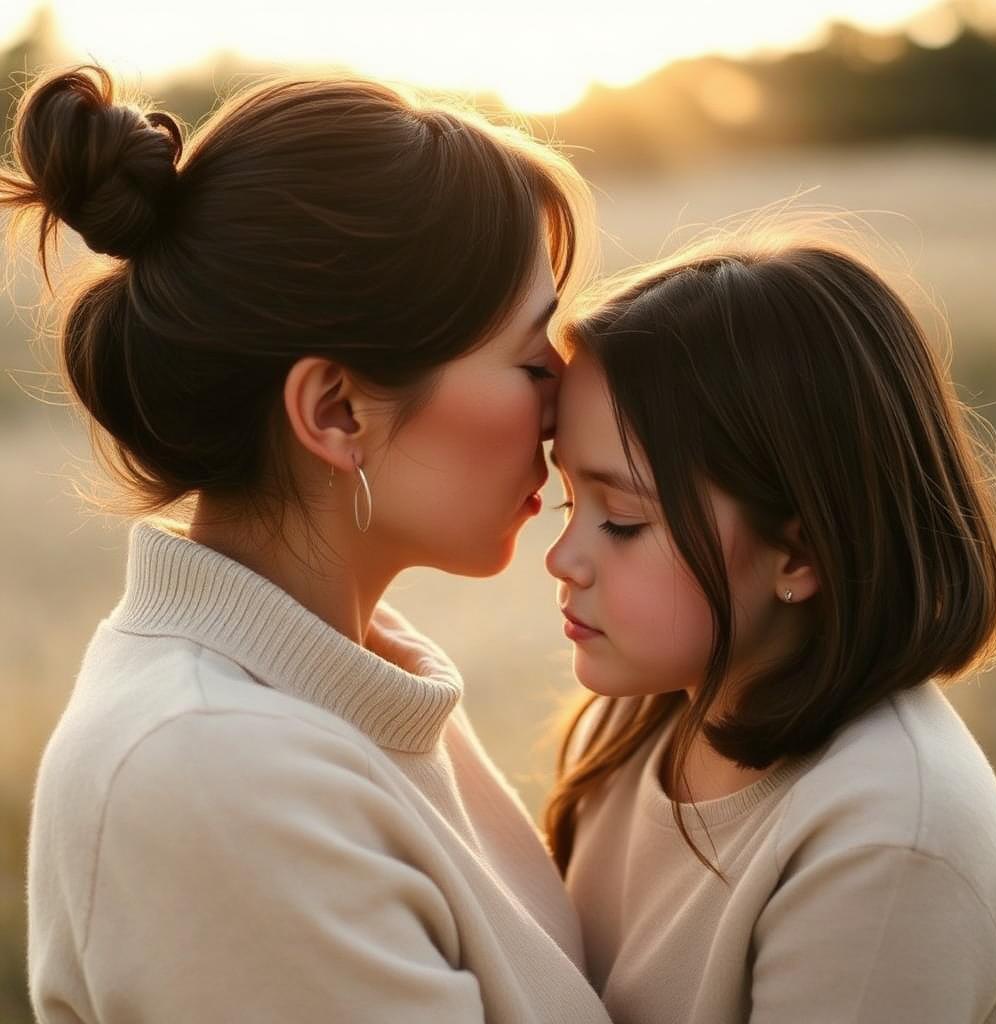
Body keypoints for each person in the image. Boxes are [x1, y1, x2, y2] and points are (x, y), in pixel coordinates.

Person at [1, 64, 612, 1022]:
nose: (563, 409)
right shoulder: (215, 774)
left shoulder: (353, 682)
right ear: (336, 412)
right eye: (534, 361)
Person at [543, 238, 996, 1023]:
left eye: (623, 521)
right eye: (571, 503)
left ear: (799, 553)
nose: (564, 559)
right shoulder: (650, 713)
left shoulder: (888, 846)